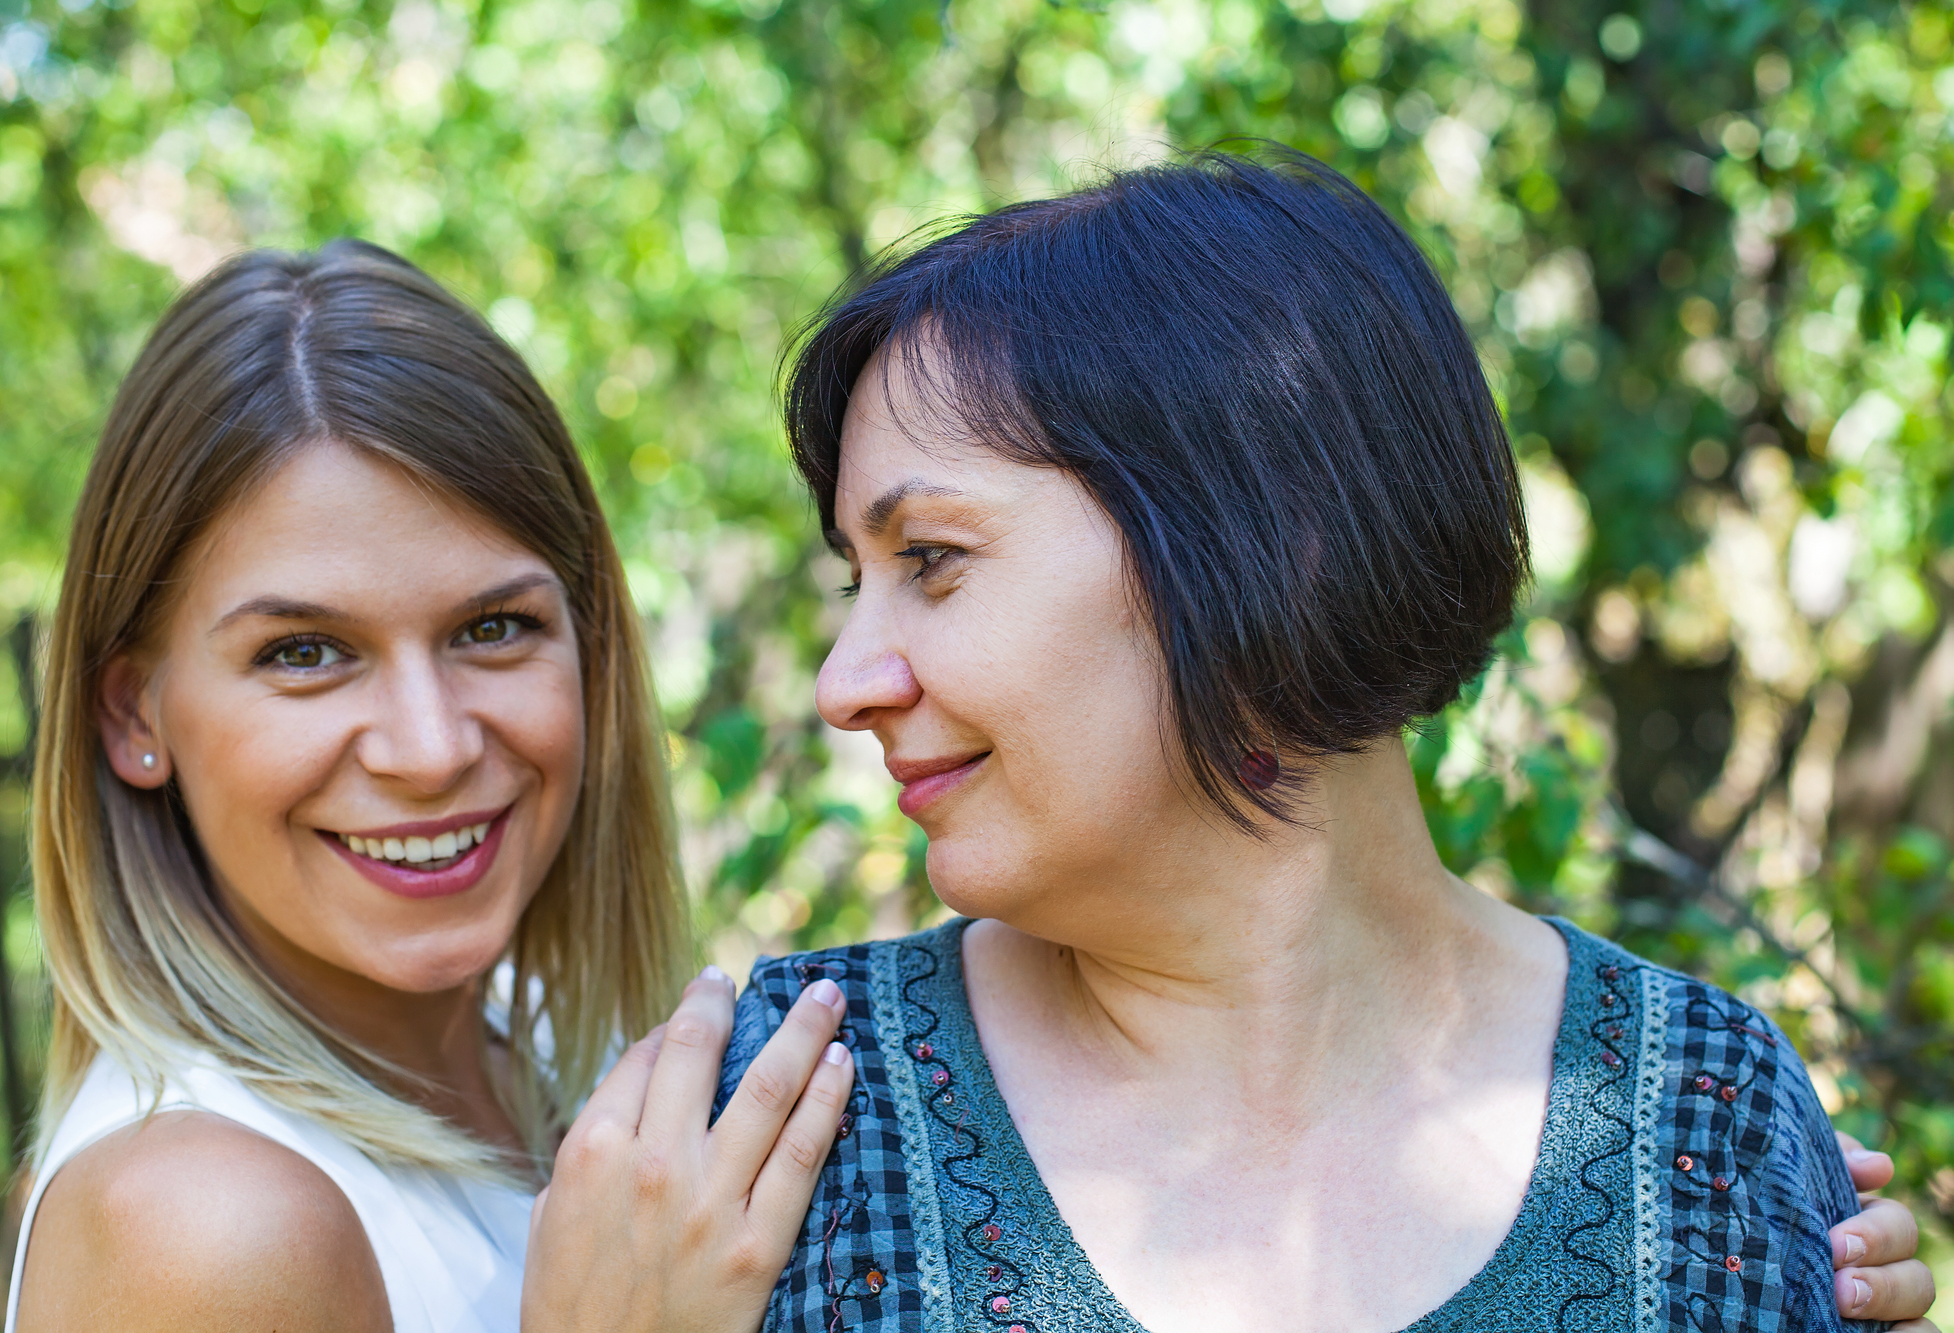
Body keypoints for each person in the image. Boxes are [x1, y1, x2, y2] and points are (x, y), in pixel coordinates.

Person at [713, 149, 1943, 1332]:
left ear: (1268, 539)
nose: (844, 684)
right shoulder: (781, 1117)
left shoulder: (1707, 1121)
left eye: (930, 559)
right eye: (853, 582)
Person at [7, 240, 855, 1333]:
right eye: (304, 652)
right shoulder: (206, 1225)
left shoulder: (561, 1070)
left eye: (492, 628)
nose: (430, 747)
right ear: (133, 714)